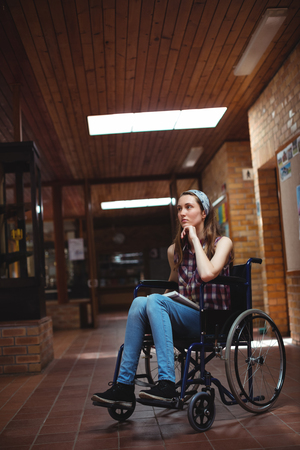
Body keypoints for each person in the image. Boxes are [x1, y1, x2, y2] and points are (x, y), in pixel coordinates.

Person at [92, 190, 233, 407]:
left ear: (203, 212)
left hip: (211, 320)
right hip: (187, 316)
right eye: (179, 209)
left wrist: (195, 239)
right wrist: (152, 306)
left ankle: (167, 383)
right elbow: (172, 285)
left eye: (189, 207)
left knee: (155, 300)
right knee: (141, 301)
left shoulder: (223, 243)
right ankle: (124, 386)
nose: (182, 213)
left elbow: (206, 274)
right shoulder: (175, 251)